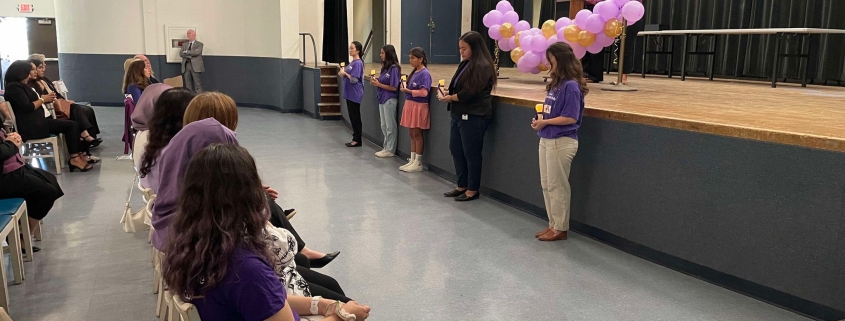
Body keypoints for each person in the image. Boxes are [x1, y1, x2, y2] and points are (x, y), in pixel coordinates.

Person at [162, 144, 371, 321]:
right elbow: (261, 293)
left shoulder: (193, 246)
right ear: (249, 195)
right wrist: (343, 316)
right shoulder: (246, 268)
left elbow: (266, 301)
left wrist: (320, 305)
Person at [149, 92, 336, 266]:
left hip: (189, 232)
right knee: (268, 212)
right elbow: (228, 202)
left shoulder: (181, 144)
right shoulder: (211, 146)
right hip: (202, 239)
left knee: (264, 201)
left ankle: (300, 251)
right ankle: (300, 251)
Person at [532, 42, 587, 242]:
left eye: (551, 60)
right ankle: (553, 224)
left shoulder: (571, 86)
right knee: (547, 184)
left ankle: (561, 227)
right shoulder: (556, 84)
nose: (548, 64)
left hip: (561, 141)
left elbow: (571, 117)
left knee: (558, 186)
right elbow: (551, 112)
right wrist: (540, 121)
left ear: (561, 60)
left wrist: (545, 122)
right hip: (546, 138)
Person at [3, 60, 93, 171]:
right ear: (20, 73)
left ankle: (79, 154)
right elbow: (27, 107)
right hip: (32, 127)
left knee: (73, 124)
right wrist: (42, 99)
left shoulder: (22, 86)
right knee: (71, 126)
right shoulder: (14, 88)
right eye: (27, 72)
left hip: (38, 121)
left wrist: (46, 100)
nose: (29, 76)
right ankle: (74, 158)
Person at [438, 31, 496, 202]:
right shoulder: (465, 64)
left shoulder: (483, 65)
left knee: (471, 152)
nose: (461, 52)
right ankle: (461, 184)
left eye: (464, 48)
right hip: (458, 112)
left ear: (475, 47)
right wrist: (449, 92)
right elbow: (458, 85)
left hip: (474, 114)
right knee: (456, 148)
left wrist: (452, 97)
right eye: (460, 49)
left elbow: (472, 91)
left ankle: (472, 188)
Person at [0, 128, 63, 251]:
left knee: (49, 179)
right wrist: (11, 143)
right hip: (3, 177)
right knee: (47, 192)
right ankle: (22, 237)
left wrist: (13, 136)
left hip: (12, 169)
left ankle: (21, 232)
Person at [29, 59, 102, 153]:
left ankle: (90, 136)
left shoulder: (44, 80)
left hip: (56, 104)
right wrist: (47, 98)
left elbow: (56, 93)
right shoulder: (31, 85)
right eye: (40, 67)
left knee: (87, 109)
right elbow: (39, 99)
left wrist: (65, 101)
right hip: (50, 108)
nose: (43, 69)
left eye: (44, 67)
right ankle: (85, 137)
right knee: (78, 109)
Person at [398, 47, 431, 173]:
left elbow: (424, 92)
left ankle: (418, 161)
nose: (410, 60)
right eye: (409, 58)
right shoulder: (414, 72)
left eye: (413, 58)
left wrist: (409, 91)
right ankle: (412, 159)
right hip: (411, 104)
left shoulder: (425, 74)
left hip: (419, 105)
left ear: (421, 59)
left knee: (417, 134)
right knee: (411, 133)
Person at [369, 45, 400, 158]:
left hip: (389, 99)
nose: (380, 55)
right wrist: (376, 81)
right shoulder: (385, 68)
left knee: (390, 125)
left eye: (382, 53)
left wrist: (379, 84)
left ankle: (390, 149)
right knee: (384, 125)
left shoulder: (394, 69)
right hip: (382, 98)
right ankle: (386, 146)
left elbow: (393, 87)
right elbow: (383, 81)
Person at [339, 41, 364, 147]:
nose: (350, 50)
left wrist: (345, 73)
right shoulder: (352, 63)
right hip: (349, 93)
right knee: (352, 116)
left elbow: (354, 80)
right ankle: (355, 137)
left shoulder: (358, 63)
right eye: (350, 48)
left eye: (352, 48)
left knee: (355, 116)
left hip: (355, 93)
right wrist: (342, 73)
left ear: (357, 50)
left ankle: (357, 139)